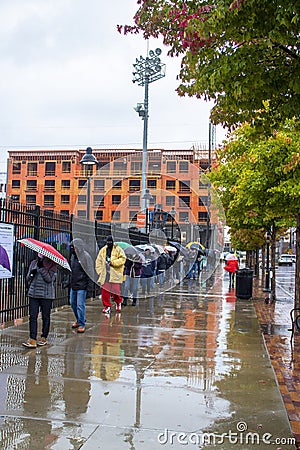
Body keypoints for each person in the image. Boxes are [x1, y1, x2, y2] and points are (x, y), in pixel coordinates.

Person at [22, 253, 57, 348]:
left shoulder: (52, 264)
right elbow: (28, 278)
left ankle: (44, 337)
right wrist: (32, 273)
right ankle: (32, 339)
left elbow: (49, 279)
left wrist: (41, 269)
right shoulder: (34, 263)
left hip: (46, 296)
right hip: (33, 294)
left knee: (45, 316)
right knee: (33, 316)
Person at [95, 235, 126, 314]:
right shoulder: (103, 250)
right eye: (108, 242)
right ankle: (107, 306)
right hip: (105, 274)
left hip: (115, 274)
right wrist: (99, 271)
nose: (109, 243)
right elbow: (98, 261)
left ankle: (118, 302)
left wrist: (113, 263)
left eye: (110, 242)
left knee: (116, 291)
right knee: (105, 291)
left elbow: (123, 259)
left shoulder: (118, 250)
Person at [69, 238, 95, 333]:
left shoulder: (85, 257)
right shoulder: (73, 257)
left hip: (82, 285)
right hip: (74, 284)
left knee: (80, 305)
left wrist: (89, 287)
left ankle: (82, 323)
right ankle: (79, 319)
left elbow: (90, 272)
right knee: (72, 303)